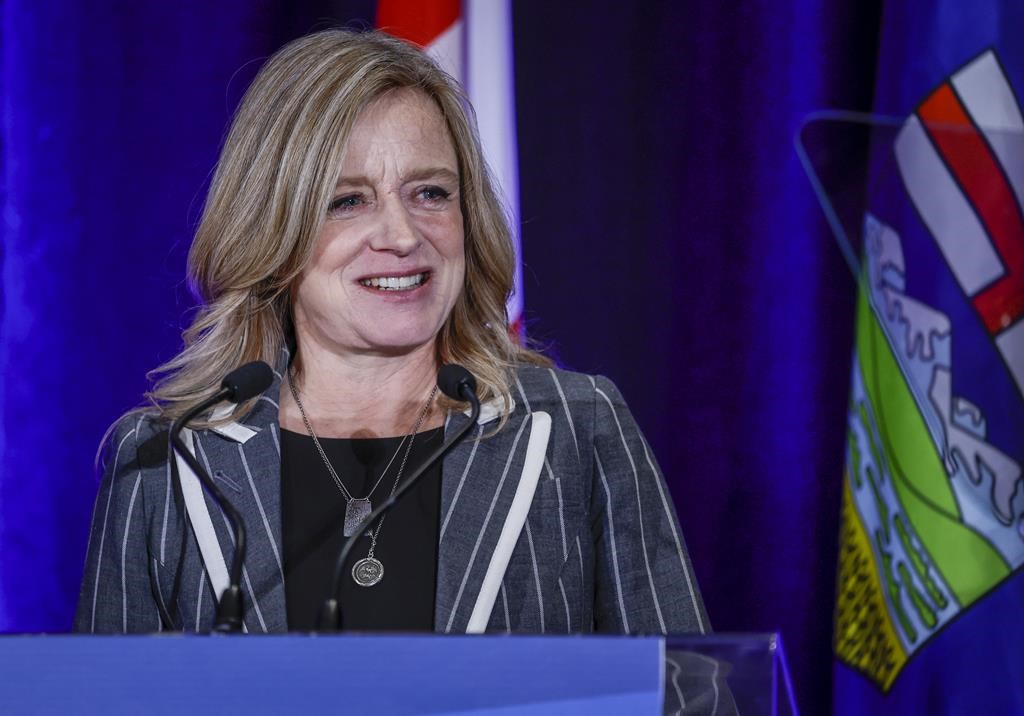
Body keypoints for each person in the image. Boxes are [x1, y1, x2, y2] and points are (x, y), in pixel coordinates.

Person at [74, 28, 708, 640]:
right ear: (273, 232)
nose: (403, 236)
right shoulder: (167, 458)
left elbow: (687, 693)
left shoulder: (574, 428)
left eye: (430, 192)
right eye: (348, 201)